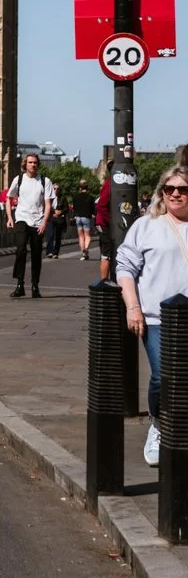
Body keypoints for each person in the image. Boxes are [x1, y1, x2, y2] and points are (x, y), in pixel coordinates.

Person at [116, 165, 188, 468]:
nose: (175, 194)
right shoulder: (146, 226)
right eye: (169, 189)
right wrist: (132, 307)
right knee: (163, 375)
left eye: (182, 189)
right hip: (157, 317)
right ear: (161, 192)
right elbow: (125, 268)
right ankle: (158, 426)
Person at [6, 152, 55, 298]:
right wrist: (10, 218)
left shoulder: (45, 181)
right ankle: (20, 284)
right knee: (20, 249)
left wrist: (44, 223)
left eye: (35, 162)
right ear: (25, 164)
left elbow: (48, 205)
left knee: (36, 254)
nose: (33, 165)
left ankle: (35, 285)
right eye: (30, 162)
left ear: (38, 164)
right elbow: (8, 198)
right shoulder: (19, 179)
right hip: (21, 218)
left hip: (38, 221)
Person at [96, 161, 115, 280]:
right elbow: (101, 205)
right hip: (104, 224)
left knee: (107, 253)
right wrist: (110, 220)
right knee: (106, 254)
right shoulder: (110, 184)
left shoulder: (110, 183)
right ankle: (104, 281)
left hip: (104, 222)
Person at [71, 178, 98, 261]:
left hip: (78, 217)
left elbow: (74, 208)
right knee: (87, 236)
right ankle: (86, 249)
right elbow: (93, 209)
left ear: (80, 188)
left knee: (80, 236)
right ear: (87, 188)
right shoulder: (90, 197)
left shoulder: (76, 196)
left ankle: (83, 253)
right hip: (86, 217)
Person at [44, 184, 66, 259]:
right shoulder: (48, 197)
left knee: (58, 236)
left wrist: (60, 212)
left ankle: (55, 253)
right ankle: (49, 251)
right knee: (50, 235)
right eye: (54, 188)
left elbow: (66, 208)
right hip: (50, 218)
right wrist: (54, 212)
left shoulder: (63, 197)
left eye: (57, 189)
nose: (56, 190)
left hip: (59, 219)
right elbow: (46, 206)